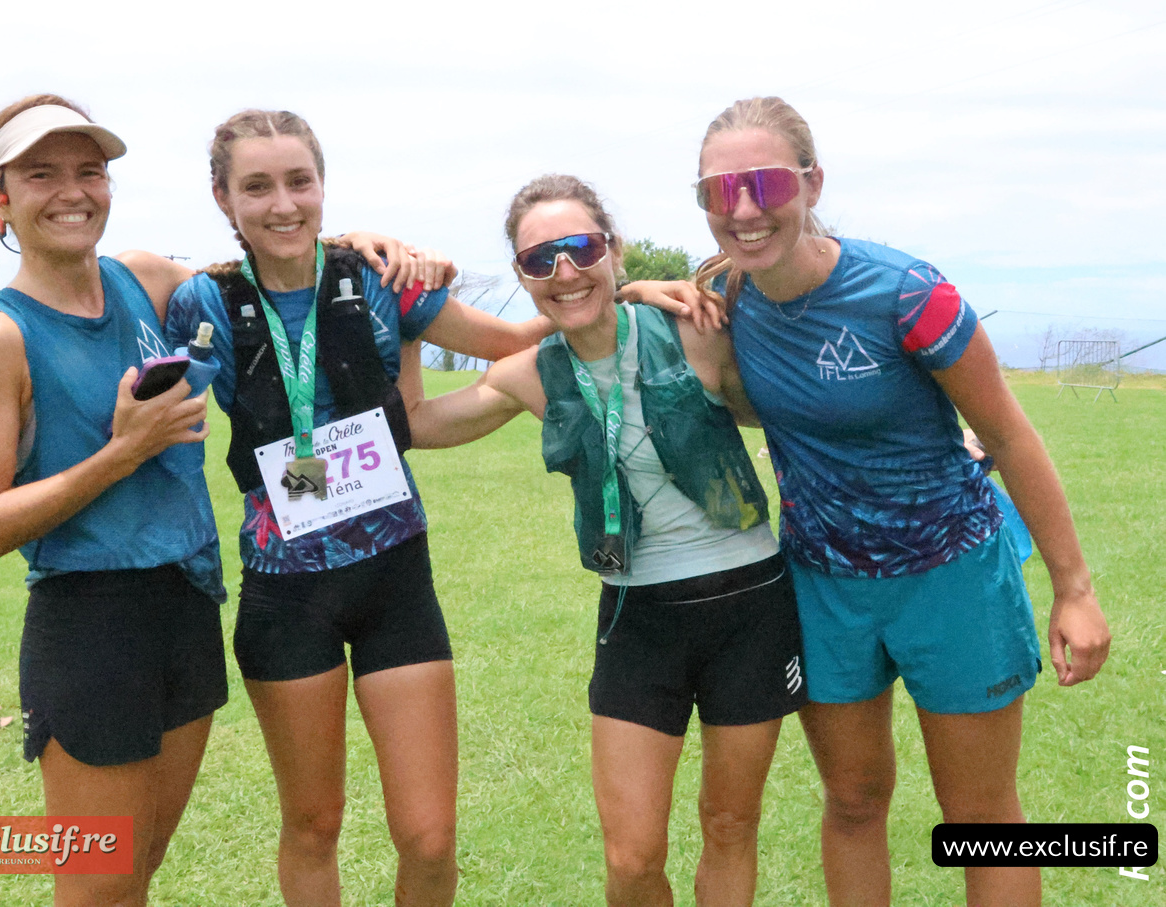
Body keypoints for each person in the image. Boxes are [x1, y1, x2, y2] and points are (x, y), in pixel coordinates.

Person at [688, 96, 1111, 907]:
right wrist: (648, 293)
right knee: (852, 801)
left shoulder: (910, 293)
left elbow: (1011, 437)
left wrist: (1075, 589)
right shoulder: (727, 299)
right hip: (822, 588)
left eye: (766, 182)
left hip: (950, 578)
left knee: (981, 813)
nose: (743, 208)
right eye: (718, 191)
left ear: (812, 182)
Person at [163, 109, 552, 907]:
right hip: (284, 593)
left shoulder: (376, 281)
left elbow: (515, 342)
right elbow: (112, 286)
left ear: (322, 185)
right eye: (257, 186)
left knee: (431, 837)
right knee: (313, 824)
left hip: (394, 581)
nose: (283, 204)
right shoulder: (201, 300)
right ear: (222, 198)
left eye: (299, 181)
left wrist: (630, 293)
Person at [400, 174, 807, 907]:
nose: (563, 270)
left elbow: (799, 399)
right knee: (631, 857)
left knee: (729, 822)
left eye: (581, 247)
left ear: (614, 250)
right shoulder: (531, 374)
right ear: (525, 276)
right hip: (636, 617)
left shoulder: (696, 331)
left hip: (750, 604)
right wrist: (403, 318)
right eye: (538, 259)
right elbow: (419, 425)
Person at [0, 94, 227, 907]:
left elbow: (264, 271)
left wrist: (364, 245)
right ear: (1, 200)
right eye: (41, 174)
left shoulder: (139, 277)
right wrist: (122, 452)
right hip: (90, 625)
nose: (73, 191)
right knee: (98, 892)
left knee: (137, 874)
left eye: (89, 170)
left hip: (186, 604)